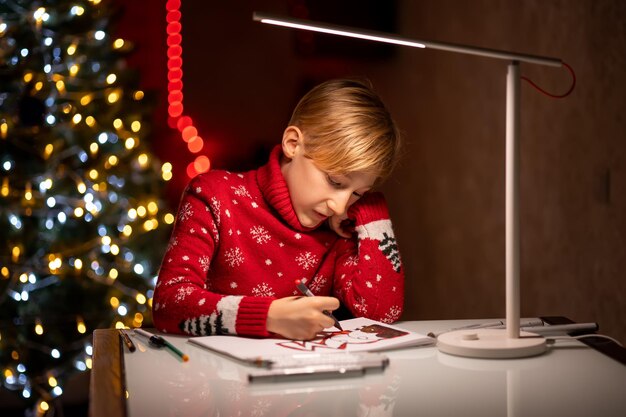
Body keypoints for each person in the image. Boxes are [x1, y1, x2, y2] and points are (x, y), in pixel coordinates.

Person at [153, 78, 404, 341]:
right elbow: (169, 303)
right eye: (334, 181)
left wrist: (371, 212)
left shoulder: (338, 228)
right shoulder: (215, 195)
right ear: (293, 144)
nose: (339, 205)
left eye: (356, 193)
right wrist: (268, 316)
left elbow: (380, 314)